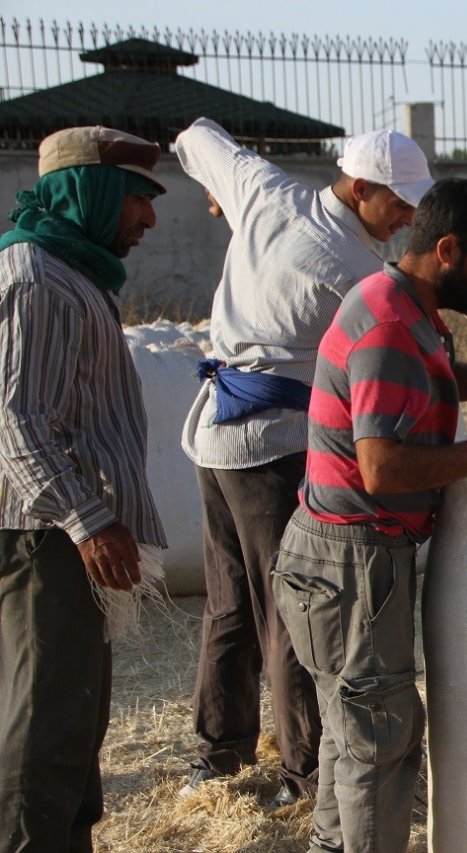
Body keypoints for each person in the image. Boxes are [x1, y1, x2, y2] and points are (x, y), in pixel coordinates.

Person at [272, 177, 467, 852]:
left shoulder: (402, 306)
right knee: (378, 736)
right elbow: (382, 468)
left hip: (345, 559)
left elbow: (442, 378)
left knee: (356, 729)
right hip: (351, 563)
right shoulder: (390, 326)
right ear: (447, 249)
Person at [174, 117, 434, 807]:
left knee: (229, 600)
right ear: (360, 185)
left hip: (214, 438)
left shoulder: (264, 190)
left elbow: (197, 134)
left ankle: (218, 752)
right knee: (294, 607)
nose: (406, 217)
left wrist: (217, 190)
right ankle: (306, 771)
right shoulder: (353, 271)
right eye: (399, 202)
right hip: (275, 446)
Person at [0, 126, 168, 852]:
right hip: (48, 538)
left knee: (74, 726)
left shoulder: (77, 274)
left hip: (69, 539)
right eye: (137, 198)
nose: (149, 218)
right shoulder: (36, 278)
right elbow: (18, 418)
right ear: (87, 191)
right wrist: (90, 520)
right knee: (43, 734)